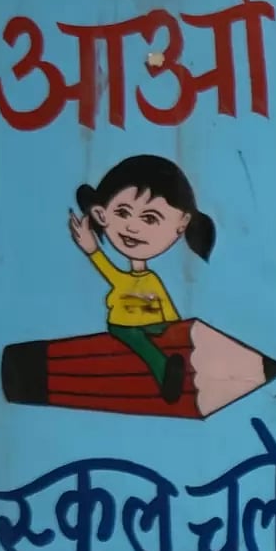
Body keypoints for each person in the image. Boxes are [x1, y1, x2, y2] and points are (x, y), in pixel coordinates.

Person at [70, 154, 217, 403]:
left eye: (149, 218)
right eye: (123, 213)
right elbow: (111, 273)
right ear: (101, 214)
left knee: (161, 331)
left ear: (182, 224)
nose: (132, 228)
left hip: (148, 321)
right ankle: (163, 372)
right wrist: (92, 249)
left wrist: (175, 327)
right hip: (123, 324)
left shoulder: (151, 279)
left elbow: (164, 305)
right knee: (140, 342)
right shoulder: (126, 279)